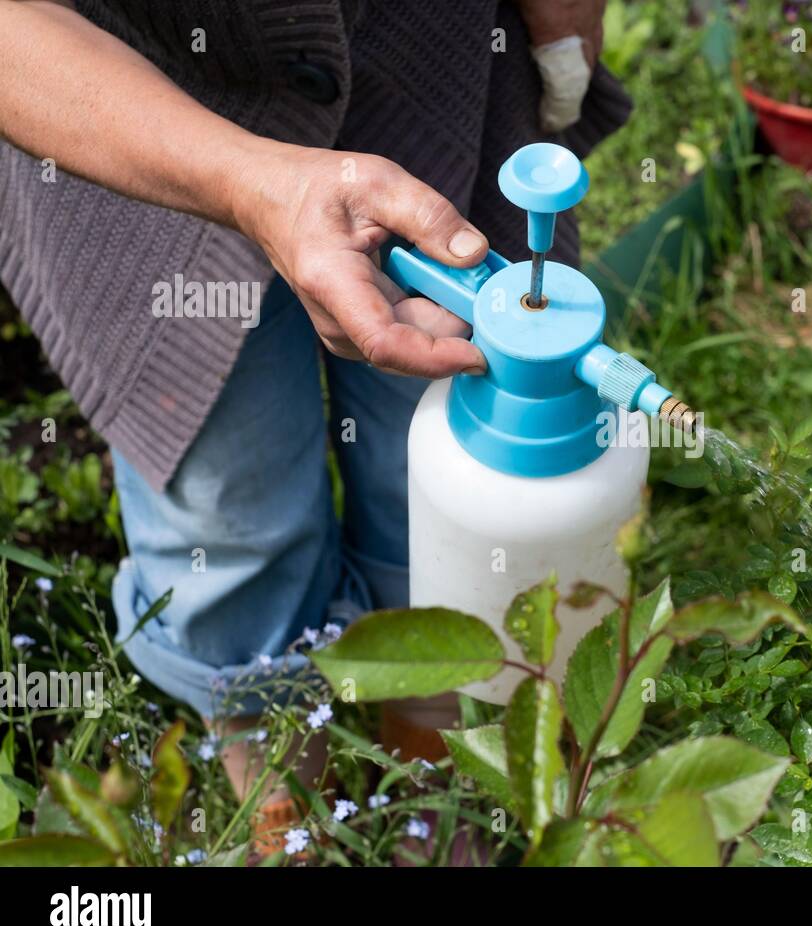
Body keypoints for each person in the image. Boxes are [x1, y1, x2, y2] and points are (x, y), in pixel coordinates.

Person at [0, 0, 625, 854]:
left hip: (422, 58)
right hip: (111, 113)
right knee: (226, 505)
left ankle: (437, 748)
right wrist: (252, 184)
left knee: (445, 459)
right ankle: (281, 782)